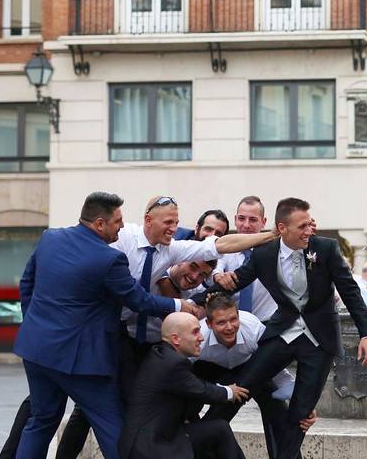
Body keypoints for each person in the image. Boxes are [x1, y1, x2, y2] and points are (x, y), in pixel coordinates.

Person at [58, 195, 266, 459]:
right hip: (115, 335)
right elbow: (126, 287)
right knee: (87, 408)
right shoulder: (128, 240)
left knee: (146, 406)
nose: (195, 277)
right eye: (168, 221)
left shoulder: (193, 289)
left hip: (153, 350)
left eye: (176, 222)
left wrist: (272, 237)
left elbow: (219, 247)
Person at [12, 192, 191, 459]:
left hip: (37, 350)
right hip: (80, 361)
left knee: (41, 421)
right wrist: (179, 306)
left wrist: (36, 324)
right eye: (117, 221)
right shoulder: (108, 259)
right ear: (99, 223)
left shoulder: (51, 238)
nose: (121, 226)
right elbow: (138, 300)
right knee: (112, 425)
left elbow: (26, 284)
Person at [208, 197, 367, 459]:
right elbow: (235, 283)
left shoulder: (326, 248)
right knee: (245, 383)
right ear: (282, 228)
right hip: (281, 332)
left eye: (310, 225)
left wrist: (366, 334)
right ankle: (202, 436)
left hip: (319, 341)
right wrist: (188, 302)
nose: (309, 231)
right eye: (302, 227)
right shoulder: (264, 254)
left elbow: (351, 292)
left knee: (300, 413)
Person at [195, 293, 316, 459]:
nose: (229, 327)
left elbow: (274, 365)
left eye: (233, 319)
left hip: (252, 367)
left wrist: (304, 405)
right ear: (209, 324)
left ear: (239, 316)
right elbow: (182, 375)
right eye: (221, 322)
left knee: (278, 409)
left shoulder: (252, 328)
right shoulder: (198, 337)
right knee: (214, 419)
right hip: (212, 370)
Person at [118, 312, 249, 459]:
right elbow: (201, 390)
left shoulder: (162, 354)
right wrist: (230, 392)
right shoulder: (172, 363)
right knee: (219, 430)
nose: (201, 337)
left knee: (218, 429)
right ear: (175, 339)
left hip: (161, 436)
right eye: (195, 332)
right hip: (150, 447)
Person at [212, 196, 276, 322]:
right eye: (241, 218)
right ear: (235, 220)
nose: (246, 225)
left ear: (263, 222)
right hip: (230, 328)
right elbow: (215, 268)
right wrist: (217, 275)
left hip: (267, 325)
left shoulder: (274, 251)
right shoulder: (224, 248)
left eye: (253, 220)